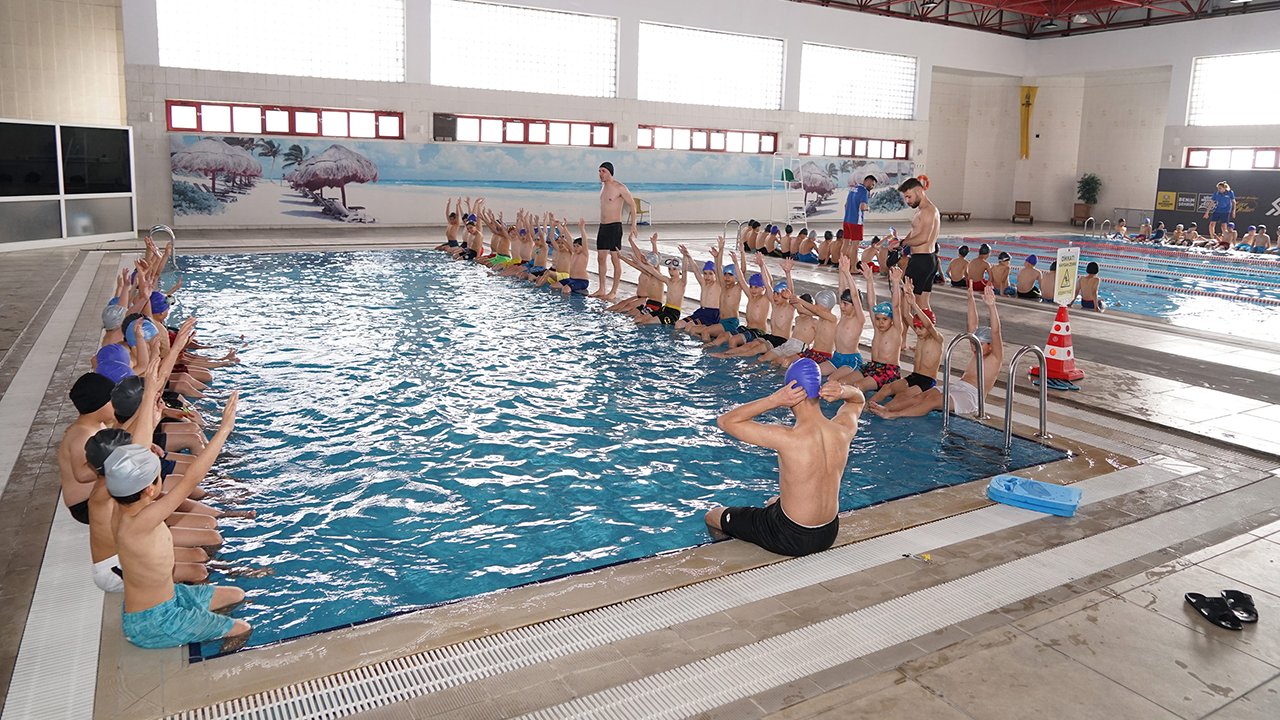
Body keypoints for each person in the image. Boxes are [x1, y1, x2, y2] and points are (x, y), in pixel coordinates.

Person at [109, 392, 251, 652]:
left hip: (172, 598)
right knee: (243, 628)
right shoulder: (140, 522)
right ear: (150, 489)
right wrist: (223, 430)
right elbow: (189, 480)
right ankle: (217, 661)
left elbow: (131, 454)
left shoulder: (123, 506)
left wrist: (151, 419)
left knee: (237, 595)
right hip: (153, 621)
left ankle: (207, 625)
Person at [704, 359, 865, 557]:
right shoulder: (842, 430)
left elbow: (726, 421)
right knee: (774, 501)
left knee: (712, 516)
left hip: (790, 537)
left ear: (788, 391)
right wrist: (843, 391)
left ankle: (732, 554)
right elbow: (858, 400)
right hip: (828, 532)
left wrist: (774, 400)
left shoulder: (788, 438)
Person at [870, 283, 1004, 419]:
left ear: (991, 345)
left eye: (980, 344)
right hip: (958, 386)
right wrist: (970, 298)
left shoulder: (995, 357)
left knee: (932, 401)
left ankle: (894, 415)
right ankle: (885, 408)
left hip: (973, 396)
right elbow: (972, 325)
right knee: (922, 396)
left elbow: (996, 331)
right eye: (974, 344)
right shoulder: (978, 352)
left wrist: (991, 306)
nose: (974, 347)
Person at [868, 278, 944, 413]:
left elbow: (928, 325)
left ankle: (885, 410)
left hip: (926, 381)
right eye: (916, 328)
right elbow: (905, 314)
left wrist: (914, 304)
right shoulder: (921, 336)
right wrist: (906, 294)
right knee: (887, 388)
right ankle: (867, 407)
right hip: (914, 376)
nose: (918, 331)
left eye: (921, 328)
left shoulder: (937, 339)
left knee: (903, 396)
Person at [831, 267, 904, 391]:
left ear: (891, 320)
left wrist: (896, 283)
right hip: (872, 367)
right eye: (878, 319)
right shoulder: (877, 328)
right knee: (841, 383)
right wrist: (869, 280)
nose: (880, 323)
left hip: (888, 371)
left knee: (857, 387)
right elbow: (871, 303)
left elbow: (896, 307)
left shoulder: (896, 330)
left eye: (884, 319)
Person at [896, 178, 940, 323]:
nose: (907, 201)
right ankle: (927, 340)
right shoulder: (925, 210)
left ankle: (903, 341)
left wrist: (903, 242)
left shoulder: (927, 211)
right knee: (922, 305)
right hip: (929, 259)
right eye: (905, 197)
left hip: (920, 261)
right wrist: (900, 244)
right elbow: (915, 233)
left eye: (909, 196)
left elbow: (923, 238)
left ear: (920, 191)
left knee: (904, 305)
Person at [591, 162, 637, 301]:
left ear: (610, 172)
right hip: (603, 227)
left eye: (603, 171)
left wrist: (633, 225)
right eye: (599, 171)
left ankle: (614, 291)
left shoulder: (619, 187)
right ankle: (602, 288)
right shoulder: (603, 187)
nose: (600, 174)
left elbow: (633, 206)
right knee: (600, 258)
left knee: (615, 259)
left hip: (614, 227)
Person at [819, 258, 868, 378]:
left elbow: (855, 295)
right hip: (837, 357)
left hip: (851, 360)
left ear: (854, 305)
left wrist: (847, 272)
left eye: (845, 304)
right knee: (815, 373)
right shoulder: (844, 315)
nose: (841, 306)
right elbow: (841, 289)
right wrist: (841, 270)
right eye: (841, 303)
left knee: (831, 380)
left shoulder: (859, 319)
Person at [843, 175, 877, 248]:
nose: (873, 187)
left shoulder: (853, 189)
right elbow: (862, 207)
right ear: (868, 181)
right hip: (856, 221)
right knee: (855, 247)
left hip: (846, 220)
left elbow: (846, 205)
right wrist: (868, 208)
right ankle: (853, 260)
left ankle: (842, 259)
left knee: (845, 243)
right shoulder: (864, 191)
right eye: (873, 184)